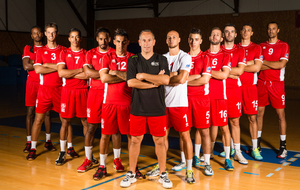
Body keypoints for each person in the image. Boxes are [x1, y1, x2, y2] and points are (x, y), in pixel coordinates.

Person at [120, 30, 172, 189]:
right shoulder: (133, 60)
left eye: (150, 40)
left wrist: (142, 75)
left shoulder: (161, 59)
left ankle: (163, 174)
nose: (147, 43)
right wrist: (154, 83)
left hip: (157, 108)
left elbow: (166, 79)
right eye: (144, 40)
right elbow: (131, 83)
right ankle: (131, 173)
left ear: (154, 42)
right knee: (135, 140)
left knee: (160, 141)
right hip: (138, 108)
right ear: (139, 42)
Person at [93, 28, 139, 180]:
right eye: (118, 41)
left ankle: (134, 167)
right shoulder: (107, 56)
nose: (120, 44)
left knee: (131, 137)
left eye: (123, 42)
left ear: (128, 42)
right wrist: (125, 76)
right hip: (109, 103)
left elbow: (135, 78)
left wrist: (115, 73)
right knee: (105, 135)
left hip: (128, 104)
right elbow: (104, 79)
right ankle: (102, 167)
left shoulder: (133, 58)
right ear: (114, 42)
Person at [77, 27, 115, 172]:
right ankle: (88, 159)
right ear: (97, 39)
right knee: (91, 127)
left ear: (109, 39)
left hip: (110, 93)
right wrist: (105, 75)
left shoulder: (113, 53)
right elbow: (87, 73)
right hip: (94, 94)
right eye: (100, 38)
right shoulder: (90, 53)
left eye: (105, 38)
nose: (103, 41)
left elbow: (96, 73)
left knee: (111, 130)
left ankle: (115, 160)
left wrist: (97, 73)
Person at [163, 30, 195, 183]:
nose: (171, 39)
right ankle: (162, 168)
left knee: (185, 136)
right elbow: (157, 79)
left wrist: (166, 77)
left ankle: (189, 170)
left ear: (179, 39)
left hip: (180, 104)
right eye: (169, 37)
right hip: (163, 105)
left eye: (174, 37)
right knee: (162, 138)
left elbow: (182, 78)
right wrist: (172, 75)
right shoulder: (161, 58)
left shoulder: (185, 56)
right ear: (166, 40)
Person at [55, 28, 89, 165]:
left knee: (86, 123)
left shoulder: (86, 54)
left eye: (77, 37)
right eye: (72, 37)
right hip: (68, 91)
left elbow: (88, 75)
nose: (75, 40)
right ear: (69, 39)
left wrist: (70, 73)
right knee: (65, 122)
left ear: (80, 39)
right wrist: (80, 70)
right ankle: (63, 152)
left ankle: (88, 154)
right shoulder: (63, 53)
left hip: (83, 91)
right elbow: (61, 73)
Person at [257, 22, 290, 159]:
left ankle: (283, 147)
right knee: (259, 114)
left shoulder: (284, 45)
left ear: (278, 30)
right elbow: (257, 66)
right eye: (269, 28)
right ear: (267, 30)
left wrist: (264, 63)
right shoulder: (260, 46)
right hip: (261, 83)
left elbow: (281, 64)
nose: (271, 31)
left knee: (280, 115)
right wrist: (272, 65)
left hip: (276, 85)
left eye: (274, 29)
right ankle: (256, 145)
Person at [205, 27, 234, 170]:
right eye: (213, 34)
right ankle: (206, 154)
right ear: (209, 37)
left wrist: (208, 72)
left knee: (224, 127)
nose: (215, 36)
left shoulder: (226, 55)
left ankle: (228, 159)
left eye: (218, 35)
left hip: (220, 97)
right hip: (204, 97)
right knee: (205, 128)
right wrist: (213, 73)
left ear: (221, 38)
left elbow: (224, 75)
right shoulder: (204, 55)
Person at [186, 28, 213, 175]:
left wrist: (185, 81)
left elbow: (205, 79)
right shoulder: (183, 57)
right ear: (188, 40)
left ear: (201, 41)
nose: (193, 42)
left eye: (196, 39)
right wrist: (196, 77)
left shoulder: (206, 57)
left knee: (204, 131)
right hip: (184, 99)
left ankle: (207, 163)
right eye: (191, 39)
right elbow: (179, 77)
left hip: (201, 99)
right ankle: (185, 161)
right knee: (185, 132)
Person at [220, 23, 248, 164]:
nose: (229, 34)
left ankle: (237, 152)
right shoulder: (218, 50)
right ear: (223, 35)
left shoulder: (240, 50)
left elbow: (240, 71)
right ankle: (219, 151)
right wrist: (231, 73)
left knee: (234, 121)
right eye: (227, 31)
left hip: (234, 90)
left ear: (236, 34)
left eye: (232, 31)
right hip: (219, 89)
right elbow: (233, 72)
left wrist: (224, 73)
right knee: (220, 122)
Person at [22, 26, 52, 153]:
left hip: (44, 83)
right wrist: (39, 63)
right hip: (32, 84)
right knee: (30, 112)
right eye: (34, 33)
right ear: (31, 35)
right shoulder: (28, 48)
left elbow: (46, 65)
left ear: (43, 34)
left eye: (39, 32)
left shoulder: (47, 49)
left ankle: (48, 141)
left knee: (47, 113)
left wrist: (33, 62)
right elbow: (26, 66)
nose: (37, 34)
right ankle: (29, 141)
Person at [238, 23, 263, 160]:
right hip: (236, 86)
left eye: (248, 30)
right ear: (240, 32)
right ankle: (232, 148)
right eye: (244, 29)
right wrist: (250, 63)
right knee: (234, 119)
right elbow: (232, 67)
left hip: (250, 87)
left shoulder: (257, 48)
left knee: (252, 118)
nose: (246, 32)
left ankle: (255, 148)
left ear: (252, 33)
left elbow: (257, 68)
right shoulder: (235, 48)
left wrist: (241, 65)